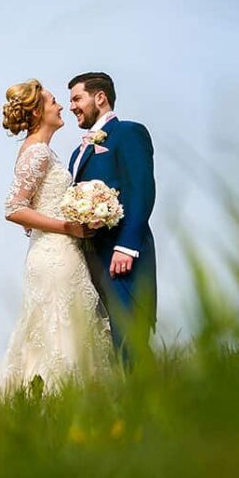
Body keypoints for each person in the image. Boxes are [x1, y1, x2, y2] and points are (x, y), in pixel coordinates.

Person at [0, 79, 111, 394]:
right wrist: (67, 227)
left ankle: (59, 397)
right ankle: (57, 397)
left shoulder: (43, 152)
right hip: (55, 254)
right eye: (54, 101)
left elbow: (32, 206)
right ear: (36, 111)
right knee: (60, 329)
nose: (61, 107)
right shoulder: (38, 153)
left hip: (57, 251)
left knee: (61, 327)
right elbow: (13, 208)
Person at [63, 71, 156, 366]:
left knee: (129, 334)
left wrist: (126, 246)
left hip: (120, 255)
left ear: (99, 97)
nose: (72, 106)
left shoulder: (129, 132)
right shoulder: (78, 151)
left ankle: (146, 399)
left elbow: (142, 188)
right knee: (104, 341)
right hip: (88, 257)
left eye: (77, 98)